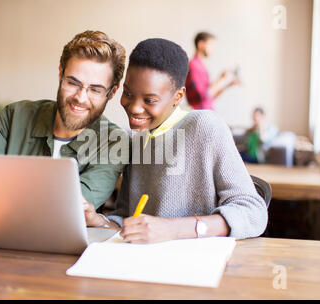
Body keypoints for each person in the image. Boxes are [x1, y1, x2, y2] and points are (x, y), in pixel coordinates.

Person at [0, 30, 128, 223]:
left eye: (95, 89)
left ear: (111, 92)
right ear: (60, 73)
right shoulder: (14, 116)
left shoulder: (113, 141)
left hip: (64, 253)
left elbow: (68, 210)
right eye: (73, 82)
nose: (80, 98)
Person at [84, 38, 268, 242]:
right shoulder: (136, 139)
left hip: (197, 265)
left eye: (149, 100)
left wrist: (173, 229)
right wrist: (99, 221)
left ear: (178, 96)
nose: (134, 107)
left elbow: (254, 212)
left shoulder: (205, 126)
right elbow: (129, 217)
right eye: (128, 93)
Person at [185, 32, 240, 110]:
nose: (213, 49)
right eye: (211, 45)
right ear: (200, 44)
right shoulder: (193, 65)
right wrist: (221, 78)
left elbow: (210, 97)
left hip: (207, 112)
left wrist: (228, 85)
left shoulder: (202, 67)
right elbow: (203, 96)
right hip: (200, 115)